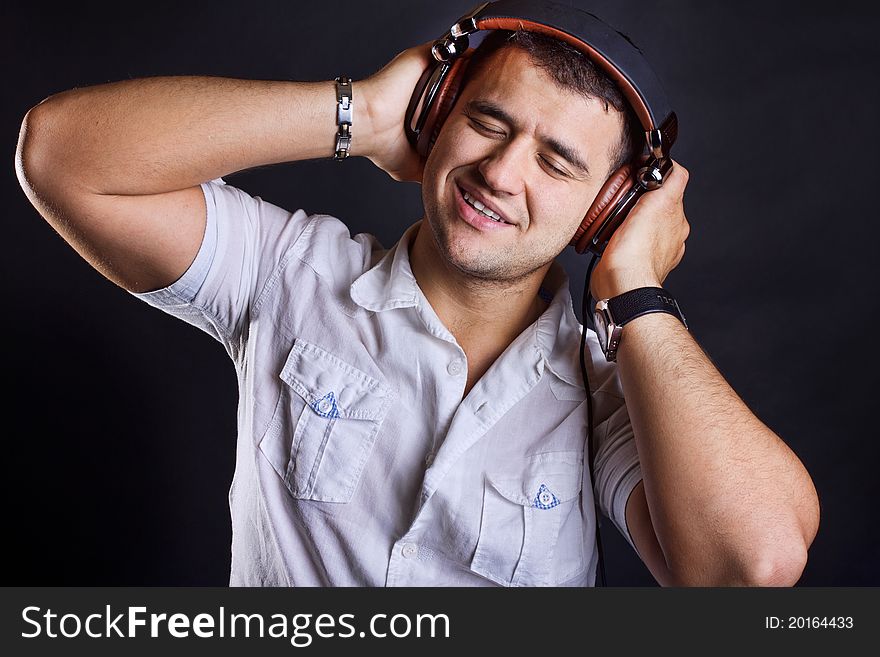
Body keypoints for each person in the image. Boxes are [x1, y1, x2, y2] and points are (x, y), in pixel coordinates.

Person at [15, 12, 819, 587]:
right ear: (434, 116)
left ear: (607, 208)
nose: (502, 174)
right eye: (488, 121)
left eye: (558, 162)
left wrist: (637, 290)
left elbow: (750, 568)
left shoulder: (615, 397)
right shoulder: (285, 270)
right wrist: (360, 113)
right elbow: (60, 156)